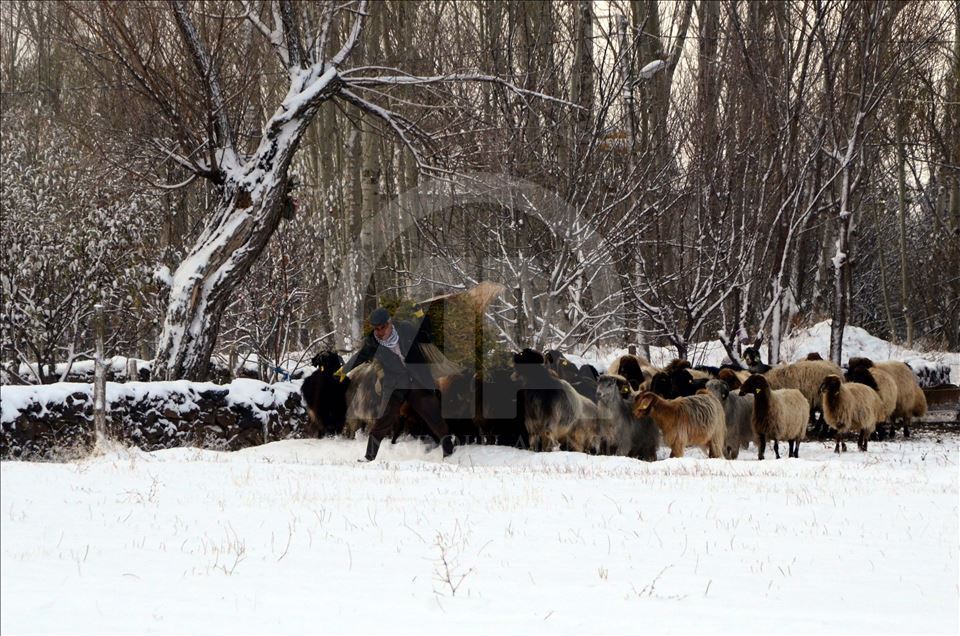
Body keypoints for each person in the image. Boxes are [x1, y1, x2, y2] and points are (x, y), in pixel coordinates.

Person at [339, 307, 454, 461]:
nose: (380, 332)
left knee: (431, 413)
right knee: (384, 418)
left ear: (390, 323)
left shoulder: (405, 328)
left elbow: (426, 335)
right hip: (395, 384)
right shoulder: (372, 342)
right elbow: (360, 356)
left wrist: (421, 316)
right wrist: (343, 370)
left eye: (383, 327)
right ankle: (369, 457)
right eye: (377, 329)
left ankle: (449, 450)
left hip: (416, 379)